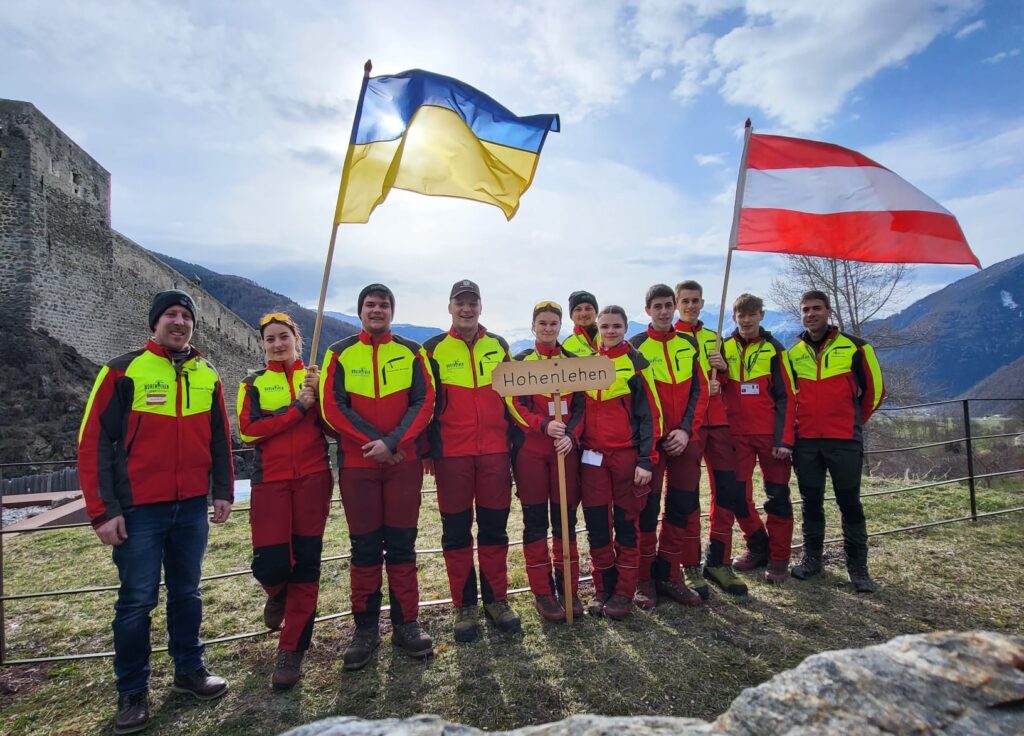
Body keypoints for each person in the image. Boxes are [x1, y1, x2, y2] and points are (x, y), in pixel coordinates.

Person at [78, 289, 233, 735]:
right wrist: (103, 510)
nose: (179, 322)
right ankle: (132, 692)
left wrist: (221, 491)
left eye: (186, 316)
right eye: (171, 314)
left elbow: (220, 440)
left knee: (187, 593)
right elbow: (92, 444)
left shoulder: (207, 373)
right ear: (154, 323)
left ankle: (189, 669)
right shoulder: (121, 371)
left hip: (189, 507)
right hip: (139, 509)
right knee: (136, 601)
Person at [320, 284, 436, 667]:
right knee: (365, 549)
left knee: (403, 545)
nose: (377, 310)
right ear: (360, 311)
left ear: (392, 311)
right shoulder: (338, 353)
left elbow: (425, 401)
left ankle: (407, 624)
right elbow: (331, 408)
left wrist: (395, 441)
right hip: (359, 466)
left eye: (384, 305)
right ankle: (365, 628)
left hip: (403, 463)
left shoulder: (411, 351)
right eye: (370, 304)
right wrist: (377, 442)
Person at [420, 279, 520, 642]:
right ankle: (464, 605)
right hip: (452, 455)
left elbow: (512, 399)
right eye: (459, 303)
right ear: (449, 307)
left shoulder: (499, 345)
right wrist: (427, 451)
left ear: (481, 307)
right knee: (456, 532)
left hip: (494, 452)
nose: (466, 309)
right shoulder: (432, 349)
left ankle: (497, 600)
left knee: (495, 529)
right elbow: (424, 403)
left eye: (472, 303)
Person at [237, 312, 332, 689]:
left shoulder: (315, 379)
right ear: (263, 344)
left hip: (313, 478)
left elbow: (333, 426)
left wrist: (320, 395)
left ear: (297, 339)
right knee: (270, 565)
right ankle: (276, 593)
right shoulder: (253, 384)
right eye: (270, 339)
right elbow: (248, 432)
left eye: (284, 337)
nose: (277, 344)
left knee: (306, 566)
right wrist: (297, 408)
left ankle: (291, 650)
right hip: (270, 481)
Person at [787, 290, 885, 593]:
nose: (811, 314)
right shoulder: (792, 354)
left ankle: (858, 569)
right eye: (805, 309)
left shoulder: (856, 348)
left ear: (828, 311)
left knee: (850, 504)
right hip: (806, 442)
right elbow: (789, 397)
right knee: (811, 503)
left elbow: (876, 391)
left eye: (816, 308)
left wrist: (853, 422)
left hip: (844, 441)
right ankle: (812, 560)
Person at [506, 301, 586, 622]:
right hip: (531, 451)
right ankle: (542, 591)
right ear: (533, 325)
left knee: (566, 520)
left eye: (554, 323)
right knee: (536, 521)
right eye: (543, 323)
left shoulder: (573, 362)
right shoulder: (521, 361)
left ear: (561, 325)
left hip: (565, 450)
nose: (548, 328)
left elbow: (582, 406)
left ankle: (568, 588)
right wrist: (542, 425)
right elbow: (513, 404)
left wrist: (571, 434)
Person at [581, 305, 662, 620]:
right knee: (597, 524)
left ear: (626, 328)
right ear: (597, 329)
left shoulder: (637, 363)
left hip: (627, 457)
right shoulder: (586, 365)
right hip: (592, 459)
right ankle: (603, 587)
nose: (610, 331)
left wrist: (646, 460)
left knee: (627, 525)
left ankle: (625, 592)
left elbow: (649, 416)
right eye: (605, 326)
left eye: (616, 326)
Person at [630, 284, 708, 608]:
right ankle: (644, 578)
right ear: (647, 309)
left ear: (674, 307)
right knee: (646, 509)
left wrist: (687, 430)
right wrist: (655, 436)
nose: (664, 311)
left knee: (681, 505)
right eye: (657, 306)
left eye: (668, 305)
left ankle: (670, 574)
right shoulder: (635, 346)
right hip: (653, 444)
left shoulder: (688, 344)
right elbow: (632, 400)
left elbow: (699, 391)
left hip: (684, 441)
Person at [673, 280, 750, 597]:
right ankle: (689, 565)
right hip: (691, 427)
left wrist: (724, 371)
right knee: (687, 498)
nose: (690, 306)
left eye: (695, 300)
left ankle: (719, 561)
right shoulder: (671, 337)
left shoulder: (716, 338)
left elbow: (733, 381)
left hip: (719, 425)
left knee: (727, 494)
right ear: (677, 303)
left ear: (703, 303)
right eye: (685, 301)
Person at [721, 294, 796, 585]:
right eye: (741, 314)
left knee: (777, 498)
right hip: (736, 436)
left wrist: (784, 439)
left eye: (752, 314)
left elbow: (787, 397)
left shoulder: (775, 350)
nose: (746, 319)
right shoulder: (723, 348)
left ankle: (779, 558)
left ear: (761, 315)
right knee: (737, 497)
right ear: (734, 316)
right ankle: (758, 544)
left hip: (770, 438)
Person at [562, 290, 600, 357]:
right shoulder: (565, 346)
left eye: (588, 308)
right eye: (578, 309)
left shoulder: (611, 337)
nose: (583, 314)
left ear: (596, 313)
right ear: (571, 316)